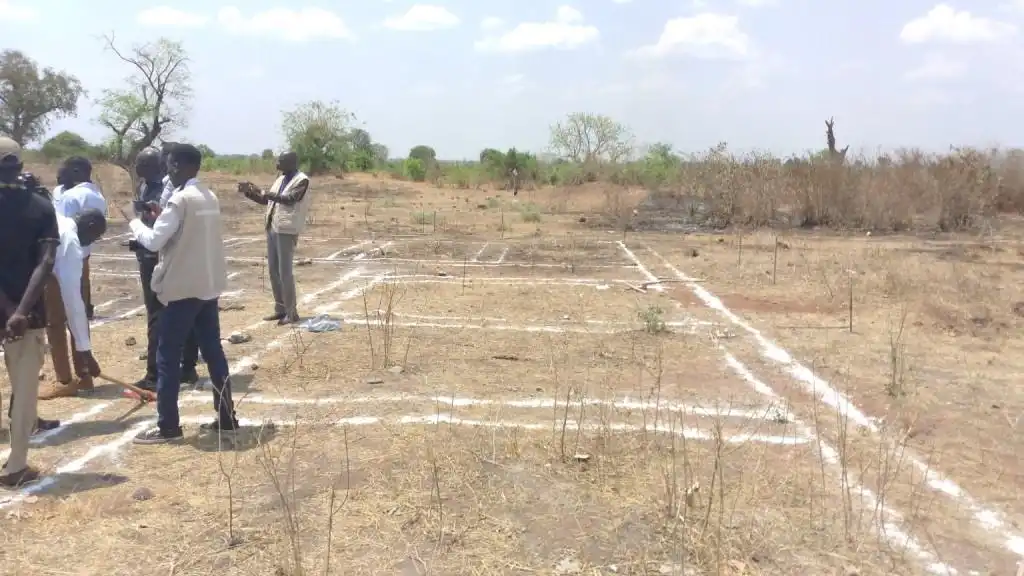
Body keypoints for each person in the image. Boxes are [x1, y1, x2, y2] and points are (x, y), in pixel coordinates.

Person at [122, 143, 239, 444]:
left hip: (182, 289)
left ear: (185, 166)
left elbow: (153, 241)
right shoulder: (208, 195)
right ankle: (227, 417)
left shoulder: (180, 199)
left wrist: (133, 220)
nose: (168, 170)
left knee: (167, 356)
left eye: (172, 164)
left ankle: (168, 426)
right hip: (207, 286)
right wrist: (162, 215)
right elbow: (188, 231)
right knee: (213, 352)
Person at [0, 137, 61, 486]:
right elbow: (46, 262)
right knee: (24, 393)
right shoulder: (40, 206)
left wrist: (8, 307)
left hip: (11, 311)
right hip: (28, 316)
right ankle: (16, 466)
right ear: (19, 166)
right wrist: (19, 310)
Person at [130, 146, 200, 393]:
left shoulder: (168, 190)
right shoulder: (145, 186)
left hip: (158, 257)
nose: (137, 167)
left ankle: (155, 374)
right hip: (150, 252)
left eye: (142, 164)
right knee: (180, 311)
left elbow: (163, 229)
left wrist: (139, 222)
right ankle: (186, 367)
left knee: (158, 315)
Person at [37, 209, 108, 400]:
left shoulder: (60, 220)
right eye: (96, 236)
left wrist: (85, 350)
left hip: (45, 274)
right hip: (43, 275)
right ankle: (69, 380)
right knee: (55, 323)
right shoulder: (71, 244)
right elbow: (74, 303)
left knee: (56, 322)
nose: (92, 242)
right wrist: (86, 352)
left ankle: (76, 378)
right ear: (90, 226)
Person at [238, 151, 311, 325]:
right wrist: (250, 192)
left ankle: (291, 313)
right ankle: (280, 309)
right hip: (273, 226)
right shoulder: (280, 179)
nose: (277, 163)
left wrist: (263, 191)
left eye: (280, 161)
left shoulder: (302, 180)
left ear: (291, 162)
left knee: (285, 272)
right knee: (273, 271)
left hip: (287, 229)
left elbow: (290, 199)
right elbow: (268, 201)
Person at [53, 157, 105, 321]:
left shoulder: (70, 196)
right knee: (82, 281)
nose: (59, 175)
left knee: (63, 285)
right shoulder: (97, 195)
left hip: (66, 249)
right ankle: (85, 309)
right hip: (85, 248)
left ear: (75, 172)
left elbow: (61, 225)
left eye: (63, 171)